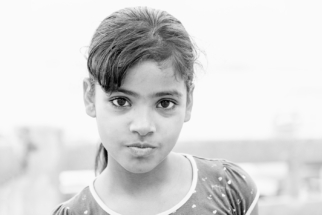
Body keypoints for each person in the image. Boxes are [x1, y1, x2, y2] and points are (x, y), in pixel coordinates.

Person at [53, 6, 259, 215]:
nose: (143, 126)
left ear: (188, 101)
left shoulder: (228, 188)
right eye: (121, 101)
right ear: (90, 97)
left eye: (164, 103)